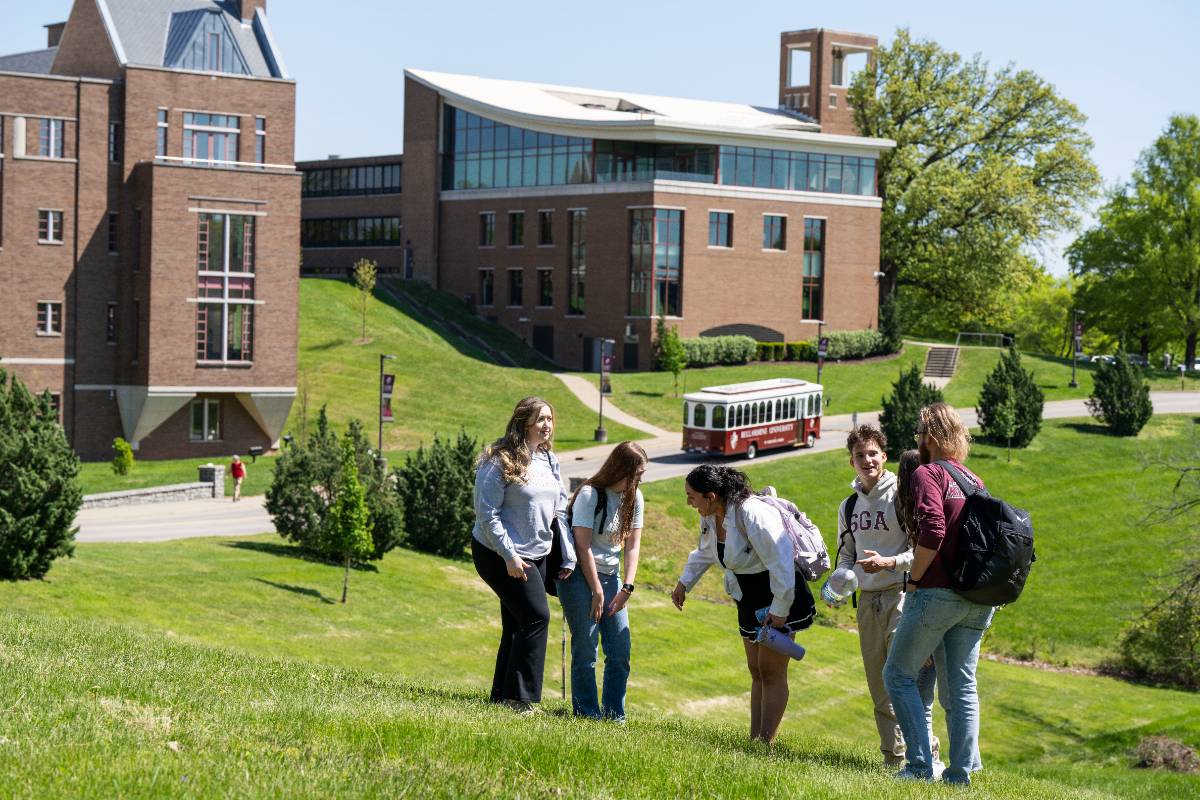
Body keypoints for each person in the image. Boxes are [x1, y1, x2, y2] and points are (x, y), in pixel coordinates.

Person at [884, 403, 996, 784]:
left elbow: (932, 530)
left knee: (898, 675)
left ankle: (918, 767)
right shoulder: (973, 480)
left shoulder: (926, 473)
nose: (917, 440)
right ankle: (961, 775)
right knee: (963, 687)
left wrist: (914, 580)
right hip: (978, 599)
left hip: (937, 594)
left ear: (929, 438)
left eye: (919, 434)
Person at [671, 464, 816, 744]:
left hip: (776, 591)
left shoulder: (751, 512)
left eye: (691, 496)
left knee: (772, 670)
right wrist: (684, 582)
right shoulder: (710, 516)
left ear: (710, 495)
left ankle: (765, 743)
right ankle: (755, 740)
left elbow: (781, 559)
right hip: (748, 595)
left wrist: (780, 609)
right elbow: (704, 552)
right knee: (756, 669)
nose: (688, 502)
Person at [472, 396, 574, 715]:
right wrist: (510, 557)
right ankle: (521, 700)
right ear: (523, 423)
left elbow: (558, 504)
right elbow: (487, 515)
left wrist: (563, 552)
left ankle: (502, 695)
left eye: (550, 419)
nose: (547, 425)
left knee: (517, 623)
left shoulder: (548, 459)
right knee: (536, 617)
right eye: (540, 419)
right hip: (498, 552)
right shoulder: (500, 460)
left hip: (537, 551)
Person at [829, 425, 916, 768]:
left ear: (884, 455)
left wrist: (890, 562)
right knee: (879, 683)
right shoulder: (848, 505)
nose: (867, 460)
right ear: (851, 461)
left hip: (900, 595)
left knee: (901, 678)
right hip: (866, 601)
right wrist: (838, 582)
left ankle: (926, 752)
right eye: (859, 455)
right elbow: (846, 555)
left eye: (872, 453)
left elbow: (920, 549)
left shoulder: (901, 495)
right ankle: (893, 758)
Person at [556, 441, 647, 721]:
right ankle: (587, 715)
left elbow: (632, 546)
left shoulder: (635, 497)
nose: (640, 480)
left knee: (620, 652)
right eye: (637, 474)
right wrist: (596, 590)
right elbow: (582, 547)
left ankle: (614, 716)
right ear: (621, 469)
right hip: (580, 578)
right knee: (586, 648)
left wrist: (627, 587)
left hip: (613, 578)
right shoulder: (589, 494)